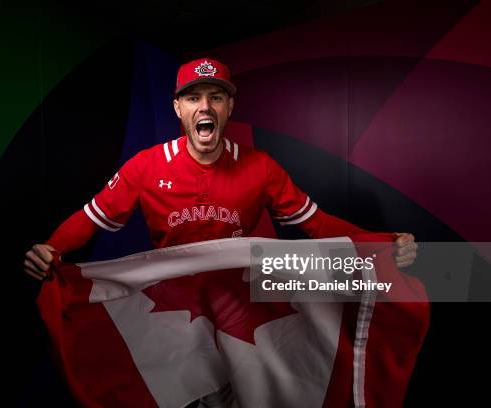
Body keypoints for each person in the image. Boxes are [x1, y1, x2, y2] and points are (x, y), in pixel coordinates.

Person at [24, 57, 417, 281]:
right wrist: (52, 247)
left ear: (229, 108)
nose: (205, 107)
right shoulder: (145, 166)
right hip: (172, 298)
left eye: (216, 97)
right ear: (179, 109)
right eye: (193, 97)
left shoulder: (260, 166)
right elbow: (91, 218)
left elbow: (316, 224)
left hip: (239, 296)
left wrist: (380, 242)